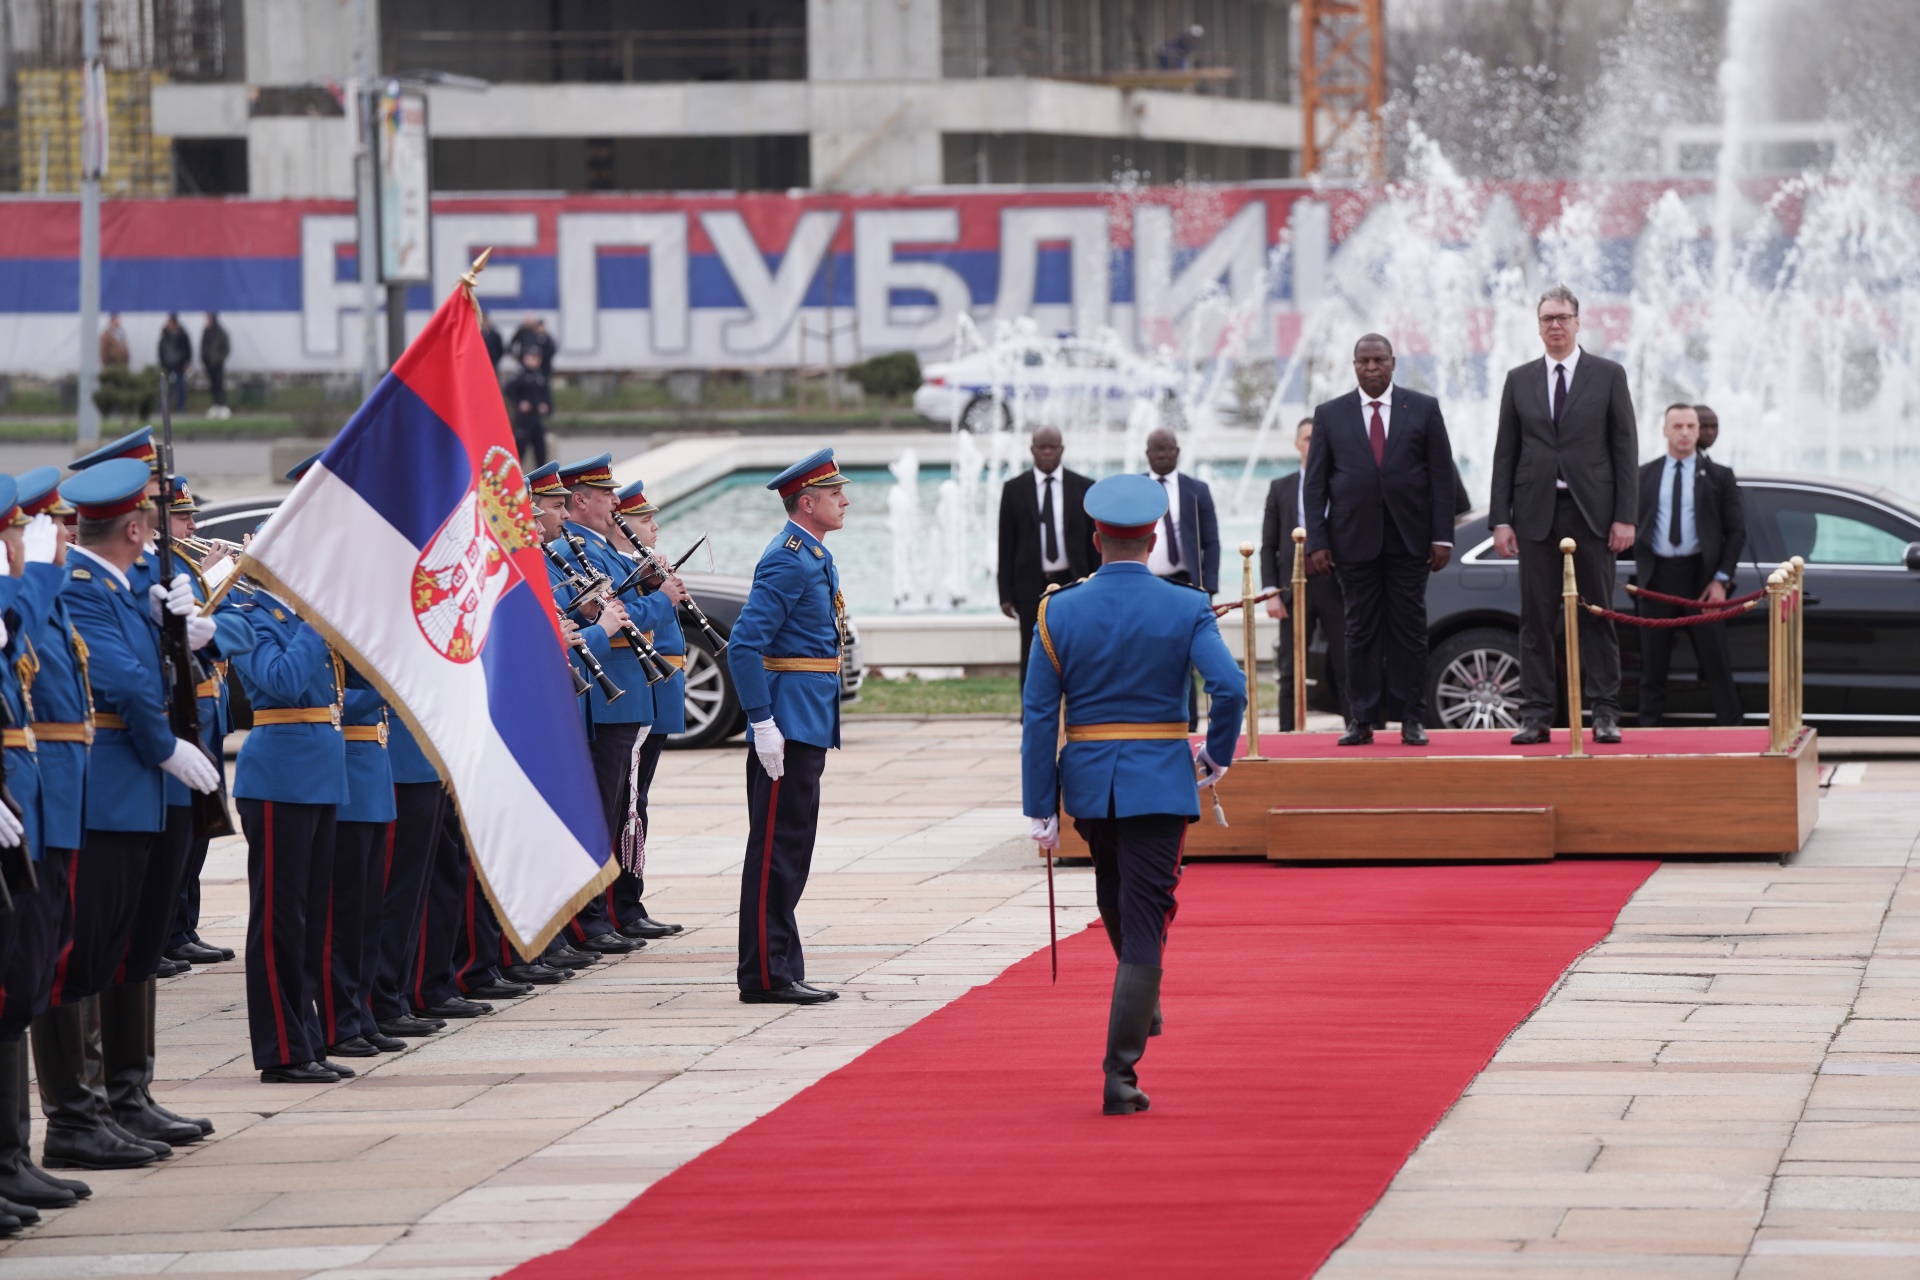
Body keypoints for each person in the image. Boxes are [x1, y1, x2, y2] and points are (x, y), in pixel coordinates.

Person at [1022, 473, 1245, 1115]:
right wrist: (1218, 756)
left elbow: (1039, 715)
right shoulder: (1186, 605)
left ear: (1096, 540)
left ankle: (1138, 999)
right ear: (1153, 541)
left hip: (1089, 784)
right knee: (1145, 914)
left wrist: (1040, 805)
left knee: (1117, 897)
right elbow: (1228, 688)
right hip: (1160, 779)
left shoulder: (1056, 609)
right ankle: (1120, 1076)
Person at [46, 458, 222, 1163]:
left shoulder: (131, 585)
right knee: (88, 950)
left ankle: (129, 1093)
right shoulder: (85, 584)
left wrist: (181, 631)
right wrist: (164, 745)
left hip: (149, 789)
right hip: (118, 780)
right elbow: (122, 679)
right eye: (151, 522)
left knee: (137, 943)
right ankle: (80, 1114)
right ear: (136, 525)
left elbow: (168, 669)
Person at [2, 472, 98, 1207]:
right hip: (21, 799)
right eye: (17, 531)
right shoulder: (17, 597)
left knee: (27, 979)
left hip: (34, 801)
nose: (29, 541)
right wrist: (32, 574)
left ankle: (13, 1154)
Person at [1490, 284, 1638, 745]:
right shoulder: (1519, 379)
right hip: (1535, 513)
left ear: (1578, 322)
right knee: (1535, 619)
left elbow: (1624, 448)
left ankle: (1605, 713)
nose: (1555, 326)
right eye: (1547, 319)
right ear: (1538, 327)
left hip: (1592, 514)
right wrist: (1501, 518)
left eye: (1562, 318)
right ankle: (1535, 714)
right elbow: (1505, 453)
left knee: (1598, 613)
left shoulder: (1608, 374)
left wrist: (1625, 516)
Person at [727, 449, 849, 1005]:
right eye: (834, 493)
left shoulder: (813, 555)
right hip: (789, 721)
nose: (844, 500)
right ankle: (765, 974)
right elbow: (744, 646)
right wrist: (761, 722)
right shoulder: (789, 559)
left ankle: (781, 966)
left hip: (807, 717)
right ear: (808, 502)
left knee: (792, 848)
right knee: (776, 849)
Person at [1303, 334, 1456, 747]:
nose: (1372, 368)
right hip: (1351, 543)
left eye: (1379, 360)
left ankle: (1412, 718)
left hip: (1410, 541)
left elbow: (1442, 478)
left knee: (1409, 631)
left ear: (1393, 362)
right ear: (1354, 365)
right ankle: (1362, 718)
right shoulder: (1330, 414)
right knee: (1359, 631)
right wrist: (1318, 541)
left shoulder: (1423, 408)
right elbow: (1315, 486)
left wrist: (1443, 536)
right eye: (1364, 361)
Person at [603, 479, 686, 941]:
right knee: (626, 803)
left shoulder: (632, 564)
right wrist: (660, 594)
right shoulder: (613, 565)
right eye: (643, 519)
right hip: (630, 692)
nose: (653, 527)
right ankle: (621, 906)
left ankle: (628, 902)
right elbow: (636, 621)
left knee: (636, 801)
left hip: (655, 691)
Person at [1635, 404, 1746, 727]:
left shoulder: (1719, 476)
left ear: (1699, 432)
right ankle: (1647, 736)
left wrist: (1721, 580)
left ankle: (1733, 733)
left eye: (1690, 427)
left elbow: (1736, 531)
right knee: (1652, 668)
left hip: (1702, 580)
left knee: (1717, 665)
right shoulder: (1644, 475)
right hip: (1656, 580)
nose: (1684, 433)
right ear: (1665, 431)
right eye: (1678, 426)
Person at [1260, 418, 1347, 730]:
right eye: (1307, 438)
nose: (1312, 444)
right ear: (1297, 444)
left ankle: (1357, 728)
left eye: (1317, 438)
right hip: (1293, 586)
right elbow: (1269, 544)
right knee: (1290, 666)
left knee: (1345, 661)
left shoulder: (1341, 483)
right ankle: (1286, 733)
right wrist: (1271, 591)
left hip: (1335, 583)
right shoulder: (1280, 488)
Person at [998, 427, 1096, 686]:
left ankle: (1077, 712)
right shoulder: (1014, 489)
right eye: (1042, 447)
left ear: (1062, 449)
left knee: (1077, 649)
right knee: (1031, 652)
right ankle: (1030, 717)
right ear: (1032, 450)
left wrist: (1096, 582)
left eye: (1053, 447)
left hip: (1073, 582)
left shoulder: (1084, 487)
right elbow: (1006, 543)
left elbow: (1093, 542)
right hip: (1030, 585)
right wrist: (1005, 594)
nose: (1047, 452)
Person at [157, 316, 192, 413]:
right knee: (165, 387)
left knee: (180, 387)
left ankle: (181, 407)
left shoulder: (182, 335)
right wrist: (162, 363)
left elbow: (187, 349)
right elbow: (161, 350)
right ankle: (163, 407)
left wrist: (187, 361)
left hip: (179, 365)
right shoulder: (165, 336)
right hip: (167, 366)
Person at [200, 314, 231, 420]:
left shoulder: (220, 332)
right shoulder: (206, 331)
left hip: (217, 364)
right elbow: (203, 346)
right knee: (212, 385)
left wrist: (219, 359)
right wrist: (204, 358)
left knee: (219, 384)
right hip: (209, 364)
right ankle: (216, 405)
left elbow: (226, 348)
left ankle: (222, 405)